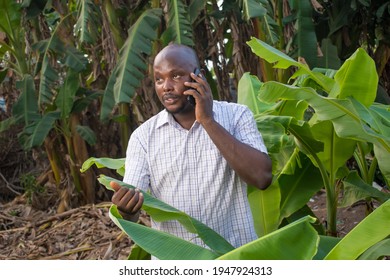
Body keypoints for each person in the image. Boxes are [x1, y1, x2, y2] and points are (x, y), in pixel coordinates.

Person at [110, 43, 272, 249]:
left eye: (176, 76)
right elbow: (131, 214)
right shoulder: (143, 137)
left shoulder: (237, 116)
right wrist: (126, 208)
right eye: (159, 79)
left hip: (234, 254)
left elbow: (262, 178)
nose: (166, 86)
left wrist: (207, 120)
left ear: (199, 76)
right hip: (177, 260)